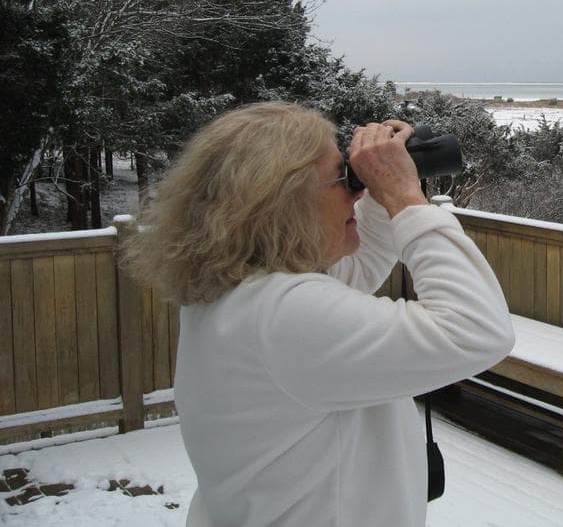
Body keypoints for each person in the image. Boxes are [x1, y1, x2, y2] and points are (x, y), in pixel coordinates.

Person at [124, 101, 515, 527]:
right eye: (344, 179)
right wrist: (404, 197)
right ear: (284, 201)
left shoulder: (239, 289)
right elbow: (477, 330)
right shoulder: (283, 313)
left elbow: (356, 270)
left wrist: (383, 184)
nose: (357, 189)